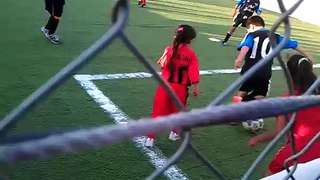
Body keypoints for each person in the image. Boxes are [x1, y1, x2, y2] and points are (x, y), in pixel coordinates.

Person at [247, 54, 320, 176]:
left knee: (269, 175)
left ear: (290, 76)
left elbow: (278, 132)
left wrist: (259, 138)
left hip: (298, 149)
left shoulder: (287, 100)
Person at [230, 15, 310, 125]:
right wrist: (306, 54)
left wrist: (239, 58)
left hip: (249, 69)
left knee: (243, 90)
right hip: (264, 71)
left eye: (247, 28)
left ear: (252, 26)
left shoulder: (251, 34)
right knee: (260, 95)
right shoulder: (276, 36)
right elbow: (294, 45)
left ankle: (234, 115)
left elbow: (246, 46)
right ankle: (249, 109)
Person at [145, 25, 200, 148]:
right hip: (180, 89)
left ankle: (150, 138)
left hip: (164, 87)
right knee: (178, 113)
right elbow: (194, 73)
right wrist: (196, 88)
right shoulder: (191, 55)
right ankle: (174, 133)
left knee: (157, 112)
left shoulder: (169, 50)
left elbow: (162, 65)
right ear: (190, 40)